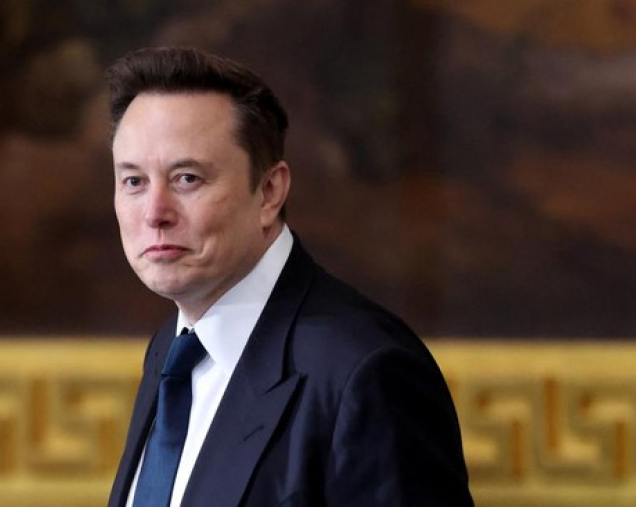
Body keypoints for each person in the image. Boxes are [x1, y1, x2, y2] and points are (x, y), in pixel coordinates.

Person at [105, 46, 473, 507]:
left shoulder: (368, 372)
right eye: (134, 181)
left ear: (269, 192)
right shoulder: (172, 348)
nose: (154, 213)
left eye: (187, 178)